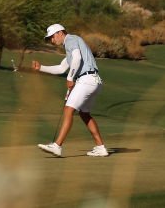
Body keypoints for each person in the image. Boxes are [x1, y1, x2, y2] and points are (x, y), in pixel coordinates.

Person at [31, 23, 109, 157]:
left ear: (60, 33)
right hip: (94, 81)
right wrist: (41, 68)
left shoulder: (71, 39)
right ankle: (101, 147)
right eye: (50, 38)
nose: (52, 40)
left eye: (52, 37)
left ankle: (57, 145)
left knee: (68, 109)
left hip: (86, 80)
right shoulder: (71, 47)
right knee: (84, 114)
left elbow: (77, 58)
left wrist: (70, 77)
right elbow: (61, 68)